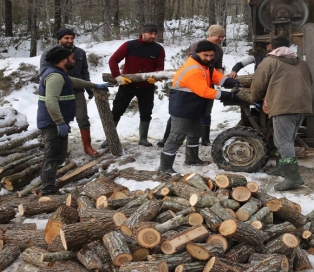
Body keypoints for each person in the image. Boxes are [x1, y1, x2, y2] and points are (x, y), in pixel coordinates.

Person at [158, 40, 240, 174]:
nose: (209, 58)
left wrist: (230, 82)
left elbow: (214, 76)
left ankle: (192, 158)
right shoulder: (193, 69)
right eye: (205, 55)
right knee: (177, 136)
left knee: (195, 133)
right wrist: (229, 96)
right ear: (197, 53)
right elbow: (204, 91)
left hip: (193, 106)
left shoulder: (204, 65)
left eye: (211, 55)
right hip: (182, 107)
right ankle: (164, 167)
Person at [37, 46, 110, 195]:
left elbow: (75, 81)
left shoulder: (58, 74)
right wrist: (59, 123)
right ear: (63, 60)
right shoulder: (55, 76)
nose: (74, 60)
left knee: (58, 155)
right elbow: (50, 102)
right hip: (53, 124)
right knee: (53, 155)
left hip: (55, 123)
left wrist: (94, 85)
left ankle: (48, 185)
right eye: (72, 58)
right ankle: (47, 190)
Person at [250, 35, 312, 191]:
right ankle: (281, 168)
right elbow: (308, 81)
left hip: (283, 106)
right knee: (287, 139)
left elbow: (257, 85)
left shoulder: (270, 62)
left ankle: (293, 177)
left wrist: (257, 99)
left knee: (283, 141)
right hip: (302, 105)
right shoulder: (302, 62)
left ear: (271, 46)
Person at [158, 24, 226, 147]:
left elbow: (218, 67)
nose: (220, 39)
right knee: (180, 115)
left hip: (208, 84)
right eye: (218, 36)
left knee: (206, 111)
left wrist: (223, 79)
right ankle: (166, 138)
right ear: (210, 35)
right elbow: (195, 64)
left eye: (222, 37)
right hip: (191, 85)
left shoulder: (219, 50)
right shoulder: (197, 46)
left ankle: (204, 139)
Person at [102, 22, 165, 147]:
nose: (153, 36)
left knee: (146, 112)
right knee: (117, 110)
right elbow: (113, 60)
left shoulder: (158, 49)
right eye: (151, 33)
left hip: (147, 86)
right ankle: (109, 137)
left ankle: (143, 138)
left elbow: (159, 67)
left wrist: (156, 77)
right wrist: (118, 77)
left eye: (155, 34)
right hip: (127, 84)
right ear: (143, 33)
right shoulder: (129, 45)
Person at [40, 28, 98, 155]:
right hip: (58, 93)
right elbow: (44, 73)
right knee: (58, 120)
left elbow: (84, 72)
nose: (69, 41)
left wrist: (89, 88)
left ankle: (87, 146)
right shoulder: (49, 53)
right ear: (59, 39)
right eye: (66, 38)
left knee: (83, 118)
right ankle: (58, 149)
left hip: (77, 91)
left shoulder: (80, 53)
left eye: (72, 38)